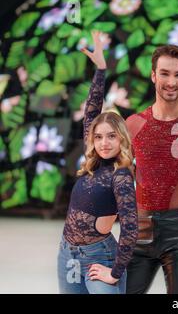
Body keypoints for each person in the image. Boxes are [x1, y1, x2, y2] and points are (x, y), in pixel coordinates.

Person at [124, 45, 178, 294]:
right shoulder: (134, 124)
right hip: (140, 227)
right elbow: (120, 176)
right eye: (164, 73)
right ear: (153, 76)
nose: (171, 82)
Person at [57, 31, 138, 294]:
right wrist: (101, 69)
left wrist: (115, 272)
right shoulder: (92, 162)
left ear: (121, 139)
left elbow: (130, 227)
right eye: (99, 136)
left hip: (98, 257)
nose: (104, 142)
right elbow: (91, 111)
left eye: (111, 136)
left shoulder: (121, 175)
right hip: (67, 254)